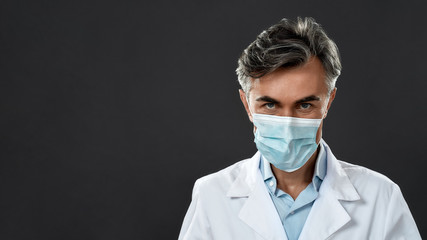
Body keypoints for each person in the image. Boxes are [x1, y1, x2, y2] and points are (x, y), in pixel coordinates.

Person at [178, 17, 421, 240]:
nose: (288, 124)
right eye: (270, 104)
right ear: (247, 104)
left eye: (305, 105)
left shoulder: (382, 198)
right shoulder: (211, 196)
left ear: (329, 101)